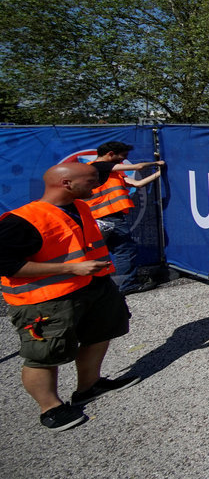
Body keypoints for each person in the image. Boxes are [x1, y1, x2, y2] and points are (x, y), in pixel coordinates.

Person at [0, 161, 139, 431]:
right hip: (46, 299)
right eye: (90, 181)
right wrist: (70, 268)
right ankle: (50, 407)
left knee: (99, 334)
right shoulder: (23, 221)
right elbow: (5, 264)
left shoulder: (80, 207)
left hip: (92, 287)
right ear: (66, 184)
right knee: (45, 354)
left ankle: (88, 386)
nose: (97, 185)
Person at [87, 141, 165, 294]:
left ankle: (115, 284)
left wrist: (160, 173)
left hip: (106, 217)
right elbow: (138, 167)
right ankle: (127, 284)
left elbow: (137, 184)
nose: (123, 161)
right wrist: (158, 163)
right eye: (121, 157)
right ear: (110, 155)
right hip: (107, 217)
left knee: (117, 250)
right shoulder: (97, 167)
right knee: (125, 250)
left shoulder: (111, 173)